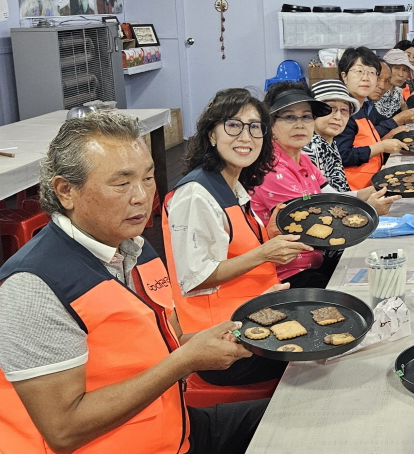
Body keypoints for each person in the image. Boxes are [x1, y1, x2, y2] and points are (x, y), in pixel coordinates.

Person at [0, 112, 267, 454]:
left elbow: (165, 341)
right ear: (66, 191)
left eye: (148, 178)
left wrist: (236, 329)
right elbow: (64, 430)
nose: (142, 196)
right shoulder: (34, 286)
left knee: (301, 416)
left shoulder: (135, 248)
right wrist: (185, 361)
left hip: (172, 428)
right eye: (122, 183)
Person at [163, 88, 312, 384]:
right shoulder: (196, 196)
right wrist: (264, 253)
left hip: (254, 318)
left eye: (255, 127)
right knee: (325, 358)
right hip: (222, 343)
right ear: (211, 134)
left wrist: (267, 237)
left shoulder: (231, 185)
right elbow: (196, 277)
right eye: (233, 125)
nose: (246, 137)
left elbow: (232, 249)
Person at [252, 82, 397, 289]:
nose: (300, 124)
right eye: (289, 117)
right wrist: (368, 210)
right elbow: (309, 225)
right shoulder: (271, 169)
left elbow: (331, 196)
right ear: (271, 124)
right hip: (288, 274)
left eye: (306, 116)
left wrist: (378, 188)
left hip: (316, 260)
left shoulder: (301, 157)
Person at [335, 47, 408, 190]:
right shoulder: (342, 110)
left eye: (372, 73)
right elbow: (341, 156)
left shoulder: (361, 106)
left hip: (369, 187)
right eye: (359, 71)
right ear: (344, 76)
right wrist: (381, 146)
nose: (366, 78)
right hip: (353, 192)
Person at [375, 49, 414, 119]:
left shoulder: (397, 93)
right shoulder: (376, 92)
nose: (401, 74)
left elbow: (407, 114)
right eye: (396, 68)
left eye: (404, 70)